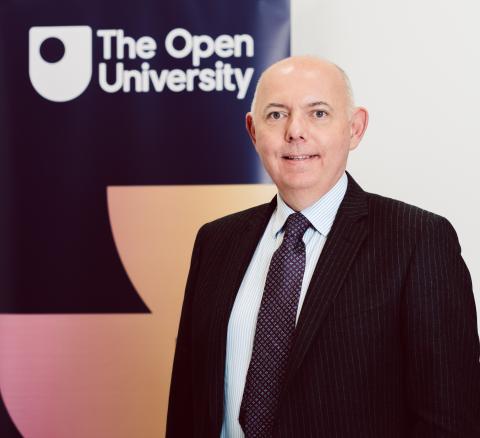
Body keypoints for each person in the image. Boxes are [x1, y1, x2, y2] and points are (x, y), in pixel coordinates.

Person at [166, 56, 480, 437]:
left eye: (318, 113)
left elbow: (449, 421)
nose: (295, 131)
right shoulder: (215, 243)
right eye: (276, 115)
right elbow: (186, 406)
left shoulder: (418, 240)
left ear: (355, 128)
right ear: (253, 131)